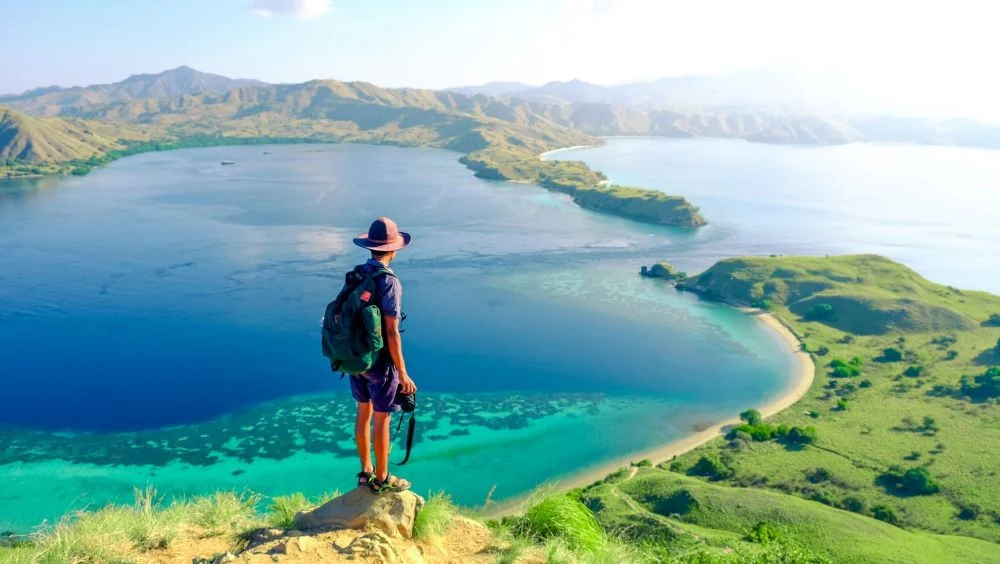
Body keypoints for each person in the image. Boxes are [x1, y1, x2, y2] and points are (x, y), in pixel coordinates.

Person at [349, 217, 417, 493]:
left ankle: (365, 472)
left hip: (357, 358)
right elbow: (391, 332)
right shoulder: (389, 281)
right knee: (382, 418)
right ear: (394, 249)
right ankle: (383, 477)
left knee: (363, 414)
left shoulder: (359, 273)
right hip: (379, 363)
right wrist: (403, 373)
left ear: (370, 247)